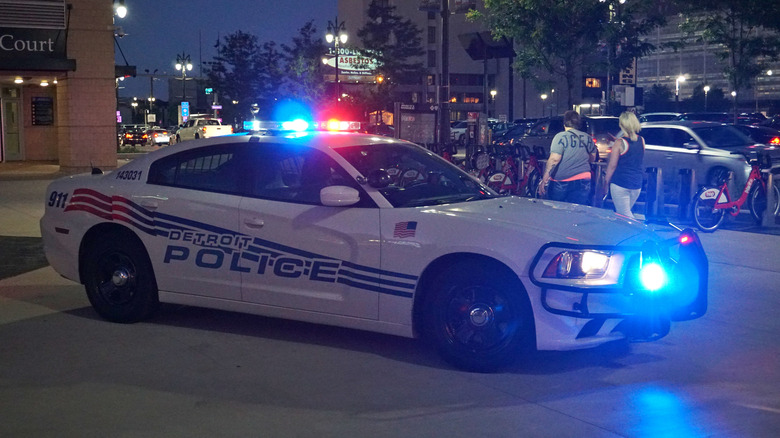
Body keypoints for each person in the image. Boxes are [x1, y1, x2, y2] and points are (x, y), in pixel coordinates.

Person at [538, 110, 597, 204]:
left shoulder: (560, 137)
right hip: (583, 179)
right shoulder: (587, 137)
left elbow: (554, 159)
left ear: (564, 122)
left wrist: (545, 177)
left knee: (557, 209)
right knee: (578, 210)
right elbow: (592, 158)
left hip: (562, 179)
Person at [604, 111, 645, 219]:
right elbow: (637, 158)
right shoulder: (642, 140)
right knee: (623, 214)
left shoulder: (619, 143)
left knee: (624, 216)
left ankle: (640, 232)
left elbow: (612, 165)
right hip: (636, 183)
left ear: (622, 125)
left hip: (620, 183)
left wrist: (606, 181)